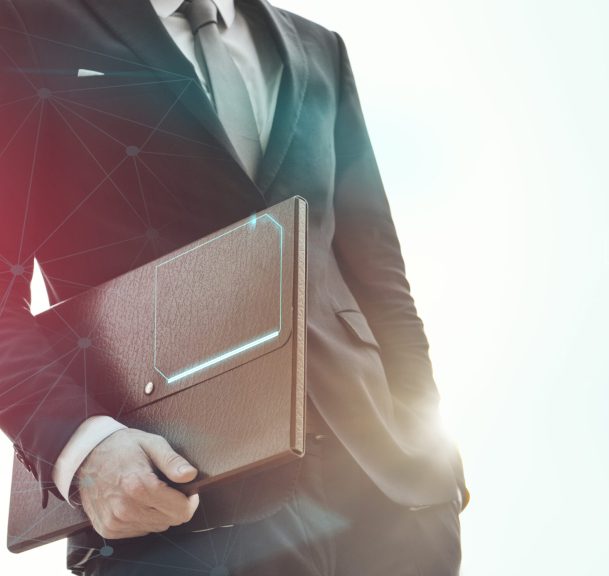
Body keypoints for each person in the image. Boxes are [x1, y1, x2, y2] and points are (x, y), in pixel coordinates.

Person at [0, 0, 468, 574]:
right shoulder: (25, 22)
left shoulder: (322, 50)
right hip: (174, 503)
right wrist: (80, 445)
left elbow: (380, 280)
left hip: (387, 503)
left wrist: (436, 464)